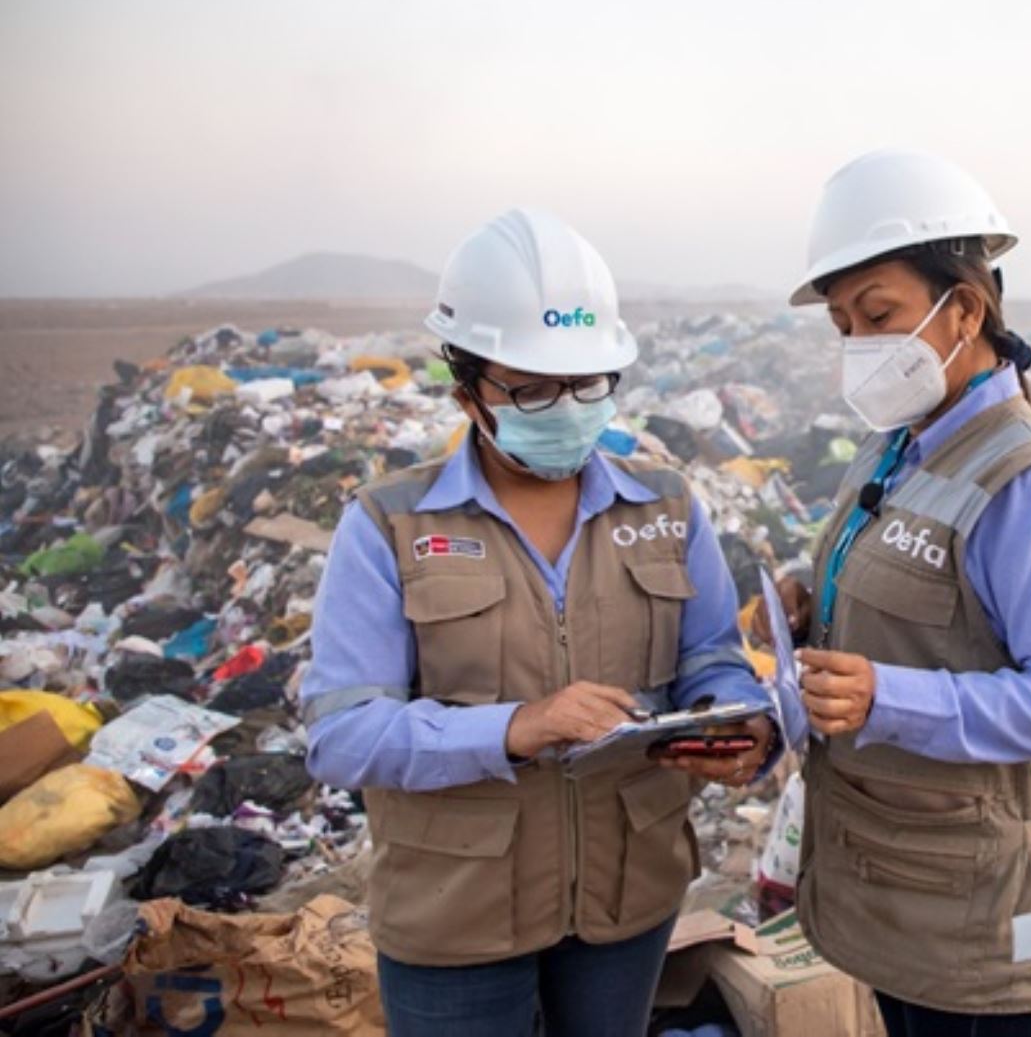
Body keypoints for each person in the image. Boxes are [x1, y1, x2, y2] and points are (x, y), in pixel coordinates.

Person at [300, 208, 774, 1037]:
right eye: (532, 387)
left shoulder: (665, 506)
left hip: (625, 902)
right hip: (455, 914)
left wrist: (726, 723)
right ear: (467, 387)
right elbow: (342, 733)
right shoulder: (389, 524)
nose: (565, 407)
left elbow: (713, 659)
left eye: (587, 383)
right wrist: (517, 727)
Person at [775, 151, 1031, 1037]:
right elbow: (932, 604)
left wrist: (885, 696)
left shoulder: (1025, 483)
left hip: (978, 915)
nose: (860, 343)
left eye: (879, 314)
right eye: (845, 323)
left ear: (964, 306)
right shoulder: (897, 444)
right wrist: (819, 600)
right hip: (903, 892)